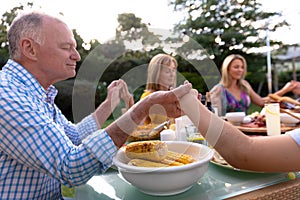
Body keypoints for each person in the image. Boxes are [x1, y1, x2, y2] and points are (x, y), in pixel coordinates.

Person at [0, 11, 192, 199]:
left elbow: (74, 136)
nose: (76, 55)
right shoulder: (7, 95)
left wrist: (109, 104)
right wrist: (143, 107)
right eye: (67, 47)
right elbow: (70, 166)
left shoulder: (37, 94)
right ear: (30, 48)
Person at [179, 82, 300, 172]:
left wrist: (189, 102)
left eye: (242, 67)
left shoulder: (245, 86)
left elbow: (244, 154)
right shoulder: (219, 89)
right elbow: (216, 112)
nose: (240, 70)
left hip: (235, 136)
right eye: (236, 67)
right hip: (230, 128)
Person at [140, 53, 177, 124]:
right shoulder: (147, 97)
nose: (172, 75)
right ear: (157, 74)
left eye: (173, 70)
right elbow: (139, 127)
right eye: (167, 71)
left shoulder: (174, 96)